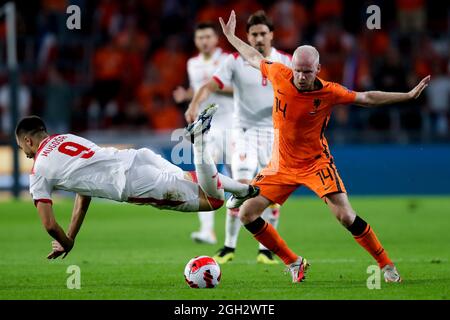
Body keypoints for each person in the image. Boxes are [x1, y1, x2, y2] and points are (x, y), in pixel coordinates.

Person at [220, 10, 430, 283]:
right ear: (291, 66)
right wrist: (230, 37)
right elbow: (253, 57)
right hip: (280, 165)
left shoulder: (329, 91)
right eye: (297, 70)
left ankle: (386, 265)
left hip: (315, 163)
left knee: (345, 216)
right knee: (247, 213)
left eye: (307, 72)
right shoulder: (279, 74)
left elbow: (366, 97)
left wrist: (408, 95)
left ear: (317, 69)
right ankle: (294, 263)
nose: (301, 77)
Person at [15, 106, 258, 259]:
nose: (23, 152)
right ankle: (243, 190)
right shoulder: (65, 137)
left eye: (20, 146)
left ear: (27, 140)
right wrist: (71, 236)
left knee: (213, 201)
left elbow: (48, 224)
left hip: (134, 183)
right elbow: (83, 191)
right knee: (191, 179)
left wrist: (65, 242)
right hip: (138, 156)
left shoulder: (39, 170)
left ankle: (199, 141)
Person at [185, 10, 292, 265]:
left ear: (271, 35)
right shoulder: (234, 60)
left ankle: (265, 250)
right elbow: (210, 84)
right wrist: (194, 105)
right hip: (244, 132)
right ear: (247, 37)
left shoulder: (285, 61)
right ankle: (228, 246)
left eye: (263, 34)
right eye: (253, 34)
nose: (258, 39)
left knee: (271, 195)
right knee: (242, 188)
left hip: (275, 135)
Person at [173, 22, 234, 245]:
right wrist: (187, 95)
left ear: (216, 39)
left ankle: (247, 228)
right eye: (200, 38)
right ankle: (207, 230)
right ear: (196, 41)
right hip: (208, 127)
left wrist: (212, 85)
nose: (204, 41)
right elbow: (197, 89)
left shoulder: (228, 60)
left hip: (232, 125)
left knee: (239, 178)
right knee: (204, 177)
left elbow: (241, 90)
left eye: (208, 36)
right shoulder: (193, 64)